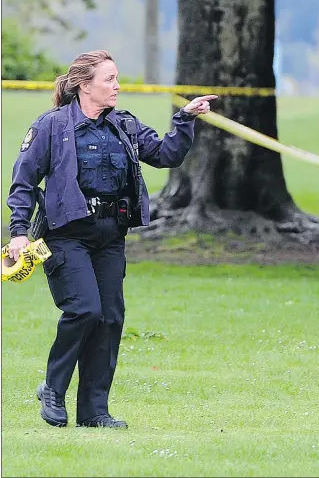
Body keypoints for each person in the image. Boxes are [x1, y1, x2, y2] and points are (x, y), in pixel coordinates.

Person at [7, 50, 217, 429]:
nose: (117, 86)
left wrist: (185, 119)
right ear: (85, 86)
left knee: (109, 319)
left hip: (109, 237)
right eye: (109, 79)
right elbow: (23, 182)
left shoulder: (124, 125)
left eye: (116, 78)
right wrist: (19, 232)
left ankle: (94, 412)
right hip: (66, 235)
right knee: (84, 309)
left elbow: (165, 154)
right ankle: (54, 388)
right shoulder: (52, 126)